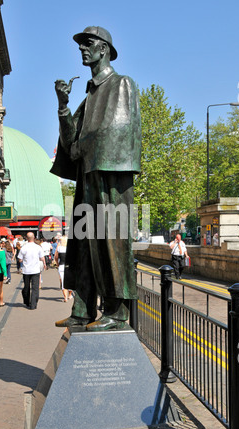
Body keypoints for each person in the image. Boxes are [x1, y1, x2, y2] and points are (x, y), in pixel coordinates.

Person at [51, 26, 141, 331]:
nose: (81, 49)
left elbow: (121, 130)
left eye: (87, 43)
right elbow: (69, 144)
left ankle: (116, 313)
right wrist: (63, 105)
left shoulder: (121, 84)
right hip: (87, 173)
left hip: (109, 173)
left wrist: (85, 146)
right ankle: (83, 308)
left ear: (104, 49)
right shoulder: (88, 96)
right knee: (83, 243)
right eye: (80, 45)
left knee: (111, 242)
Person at [18, 232, 46, 310]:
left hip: (26, 270)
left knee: (26, 287)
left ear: (26, 238)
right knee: (35, 288)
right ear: (34, 237)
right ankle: (33, 305)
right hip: (35, 270)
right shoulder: (38, 247)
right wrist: (44, 263)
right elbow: (42, 258)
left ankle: (27, 302)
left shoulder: (24, 248)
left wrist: (23, 260)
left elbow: (20, 259)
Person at [55, 235, 73, 302]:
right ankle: (70, 295)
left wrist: (57, 263)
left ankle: (65, 297)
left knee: (63, 281)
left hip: (61, 266)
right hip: (69, 266)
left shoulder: (59, 248)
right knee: (70, 281)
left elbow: (56, 257)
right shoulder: (70, 248)